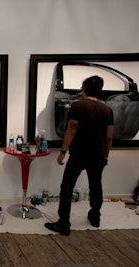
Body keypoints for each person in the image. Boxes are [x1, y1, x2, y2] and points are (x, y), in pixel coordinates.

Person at [45, 75, 114, 236]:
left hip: (79, 154)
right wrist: (106, 155)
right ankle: (95, 217)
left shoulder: (78, 106)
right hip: (98, 155)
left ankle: (63, 223)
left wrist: (63, 152)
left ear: (83, 89)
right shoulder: (107, 110)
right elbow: (109, 136)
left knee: (67, 187)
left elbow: (71, 130)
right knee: (96, 186)